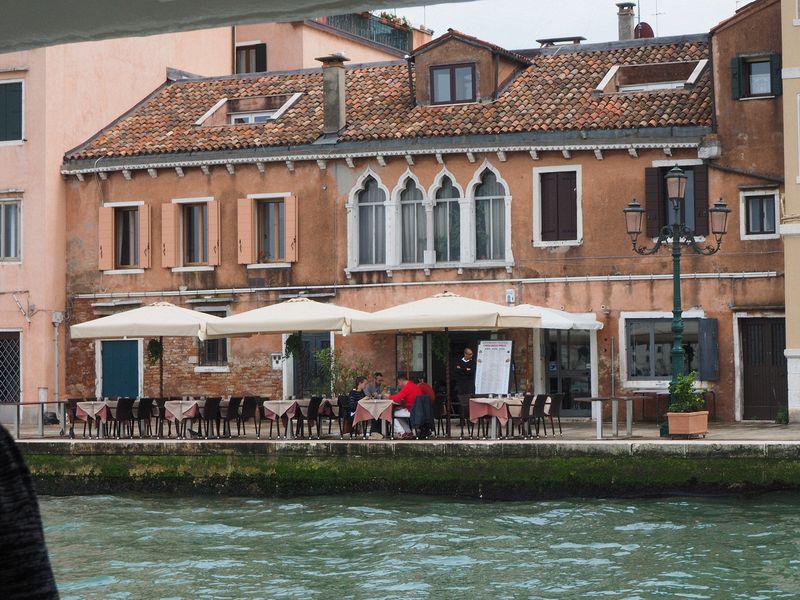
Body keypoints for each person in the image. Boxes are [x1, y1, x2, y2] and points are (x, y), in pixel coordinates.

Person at [389, 374, 421, 439]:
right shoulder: (413, 385)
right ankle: (408, 432)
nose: (398, 384)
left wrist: (387, 395)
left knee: (390, 414)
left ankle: (402, 433)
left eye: (398, 382)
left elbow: (397, 398)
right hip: (416, 410)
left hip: (411, 410)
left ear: (401, 380)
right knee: (398, 414)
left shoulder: (407, 387)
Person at [455, 347, 476, 430]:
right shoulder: (458, 361)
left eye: (472, 354)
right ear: (465, 354)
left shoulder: (473, 362)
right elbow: (457, 370)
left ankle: (470, 421)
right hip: (461, 385)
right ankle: (461, 421)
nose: (471, 356)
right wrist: (466, 370)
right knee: (461, 404)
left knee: (470, 404)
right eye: (470, 354)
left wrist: (462, 370)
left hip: (469, 386)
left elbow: (471, 372)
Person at [364, 371, 385, 438]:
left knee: (381, 412)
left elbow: (380, 397)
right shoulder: (368, 386)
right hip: (367, 406)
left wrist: (381, 395)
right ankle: (374, 432)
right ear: (375, 379)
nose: (380, 382)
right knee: (377, 413)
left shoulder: (379, 386)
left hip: (375, 406)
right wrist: (379, 395)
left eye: (381, 380)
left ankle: (378, 432)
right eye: (379, 380)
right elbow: (367, 397)